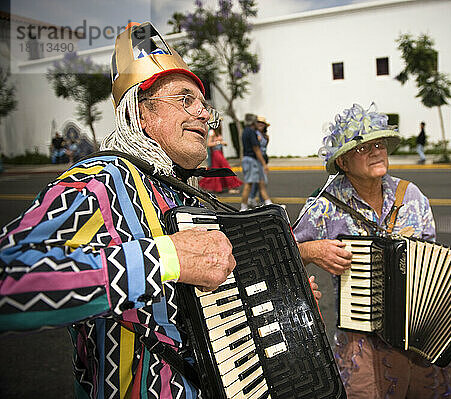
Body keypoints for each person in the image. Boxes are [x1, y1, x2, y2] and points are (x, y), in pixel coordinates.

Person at [0, 22, 321, 397]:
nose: (203, 113)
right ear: (141, 111)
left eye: (203, 104)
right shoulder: (99, 181)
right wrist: (165, 258)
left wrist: (282, 309)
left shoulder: (184, 193)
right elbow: (9, 278)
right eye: (185, 99)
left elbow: (213, 317)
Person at [294, 103, 451, 399]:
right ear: (344, 162)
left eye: (380, 144)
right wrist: (311, 250)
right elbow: (282, 253)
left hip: (424, 340)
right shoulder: (324, 206)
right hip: (362, 346)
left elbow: (440, 273)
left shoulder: (412, 196)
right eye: (364, 147)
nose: (376, 151)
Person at [197, 125, 242, 193]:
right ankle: (231, 187)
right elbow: (208, 144)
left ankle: (220, 187)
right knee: (225, 167)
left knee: (217, 169)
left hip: (219, 152)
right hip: (216, 153)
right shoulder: (212, 132)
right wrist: (219, 142)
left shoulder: (217, 132)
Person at [240, 113, 271, 211]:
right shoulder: (251, 132)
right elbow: (256, 149)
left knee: (261, 182)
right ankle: (243, 207)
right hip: (251, 160)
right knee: (249, 184)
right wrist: (264, 164)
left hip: (249, 159)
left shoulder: (246, 131)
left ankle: (268, 203)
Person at [249, 116, 270, 207]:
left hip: (263, 158)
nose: (260, 125)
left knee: (259, 181)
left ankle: (253, 198)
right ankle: (260, 200)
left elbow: (265, 148)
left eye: (262, 123)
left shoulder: (265, 136)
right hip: (257, 159)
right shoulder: (255, 134)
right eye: (258, 123)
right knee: (261, 180)